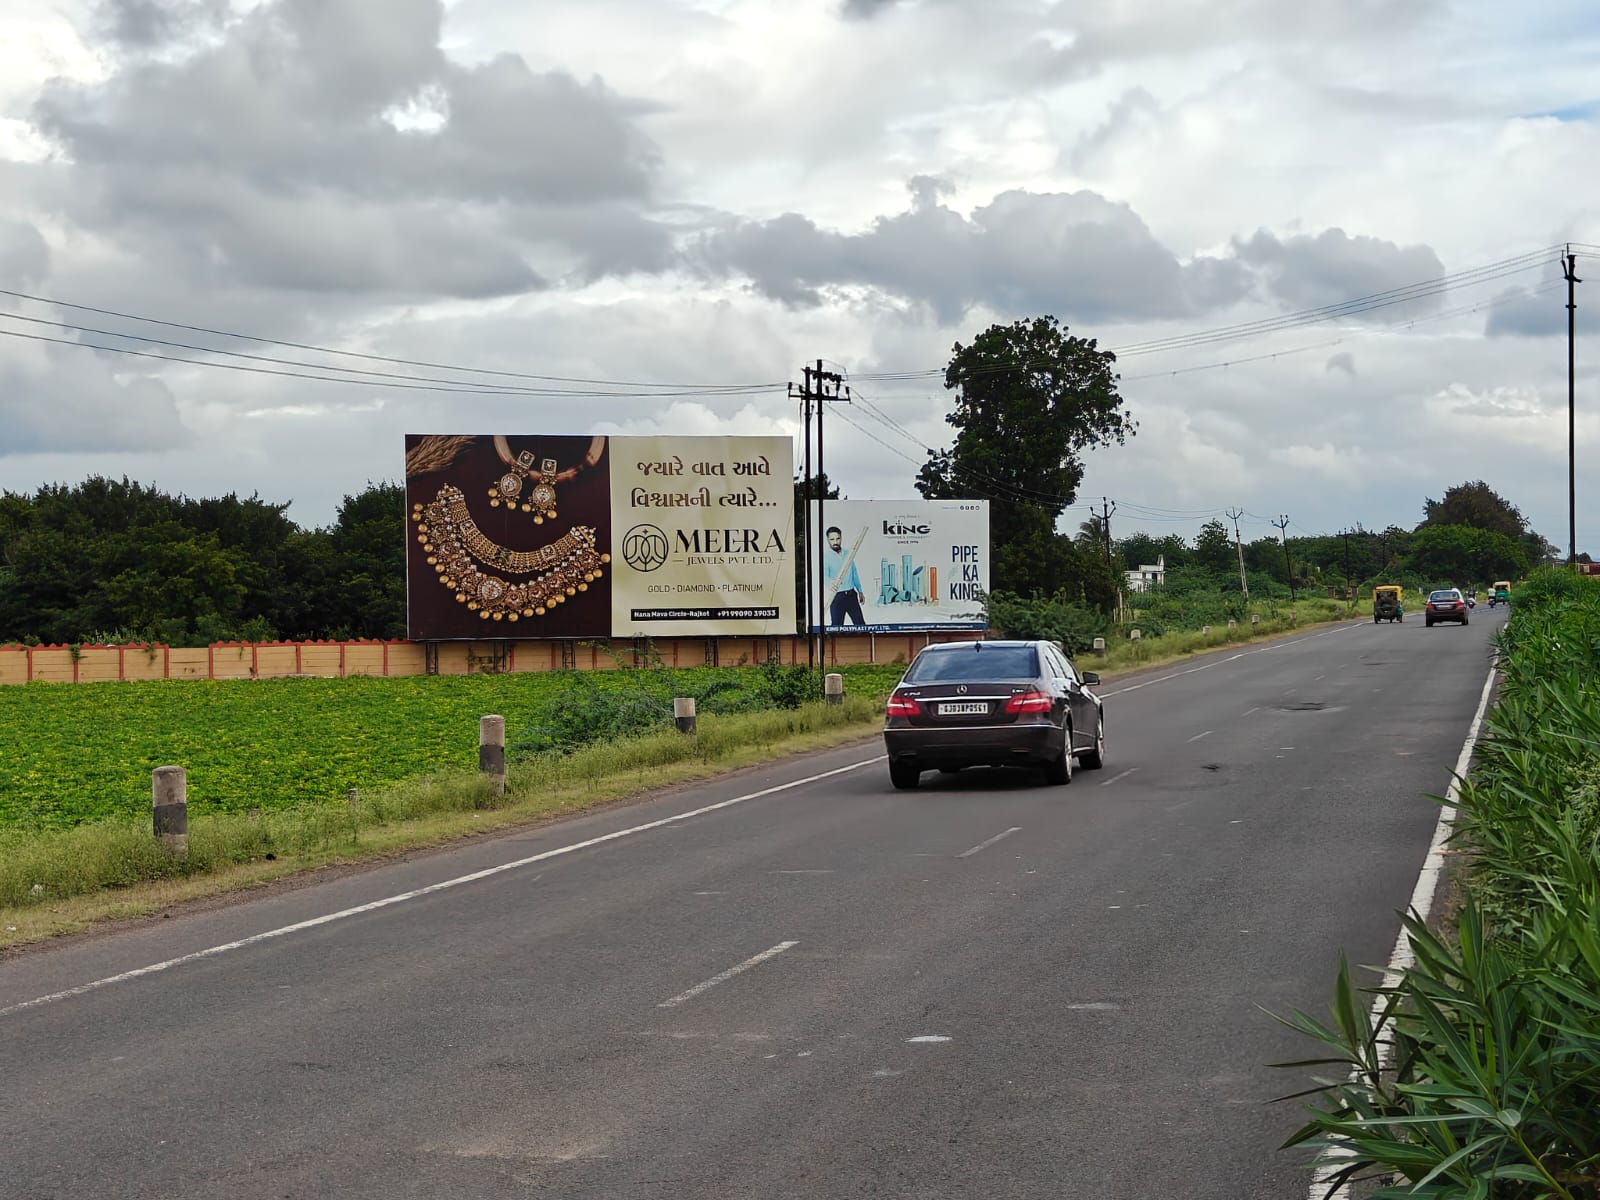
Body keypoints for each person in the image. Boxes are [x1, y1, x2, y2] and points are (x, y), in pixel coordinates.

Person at [822, 526, 866, 626]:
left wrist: (860, 591)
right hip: (837, 597)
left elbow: (854, 572)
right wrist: (830, 583)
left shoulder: (848, 554)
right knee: (836, 628)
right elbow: (824, 576)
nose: (835, 542)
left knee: (861, 626)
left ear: (841, 538)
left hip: (851, 596)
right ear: (828, 540)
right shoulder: (825, 557)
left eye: (837, 538)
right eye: (832, 539)